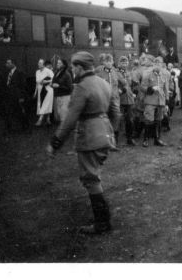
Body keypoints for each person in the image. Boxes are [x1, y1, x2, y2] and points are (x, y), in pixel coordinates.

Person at [46, 51, 119, 234]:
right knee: (94, 176)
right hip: (104, 135)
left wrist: (55, 142)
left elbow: (70, 119)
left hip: (89, 137)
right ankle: (102, 219)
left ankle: (102, 223)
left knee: (91, 179)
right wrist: (111, 132)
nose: (72, 70)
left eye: (73, 67)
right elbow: (116, 111)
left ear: (79, 67)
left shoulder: (81, 87)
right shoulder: (104, 83)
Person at [140, 56, 169, 147]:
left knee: (159, 120)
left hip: (161, 101)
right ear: (153, 65)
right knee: (149, 120)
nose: (157, 65)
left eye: (159, 63)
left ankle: (157, 139)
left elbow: (166, 90)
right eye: (155, 63)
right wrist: (151, 88)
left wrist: (166, 103)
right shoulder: (147, 75)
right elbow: (142, 87)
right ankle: (146, 139)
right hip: (150, 100)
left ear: (162, 64)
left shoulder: (164, 75)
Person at [95, 54, 121, 149]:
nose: (109, 63)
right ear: (104, 63)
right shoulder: (99, 73)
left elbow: (123, 82)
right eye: (107, 61)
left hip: (114, 99)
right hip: (104, 100)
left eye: (111, 61)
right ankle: (104, 142)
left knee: (117, 117)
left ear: (113, 62)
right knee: (104, 120)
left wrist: (121, 89)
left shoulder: (115, 73)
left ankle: (114, 142)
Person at [4, 59, 29, 132]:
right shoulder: (8, 73)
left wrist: (21, 97)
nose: (6, 64)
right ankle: (10, 128)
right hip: (10, 96)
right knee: (9, 112)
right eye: (6, 63)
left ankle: (25, 127)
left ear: (13, 64)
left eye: (8, 63)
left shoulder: (19, 73)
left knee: (20, 112)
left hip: (17, 96)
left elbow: (23, 86)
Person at [117, 56, 136, 146]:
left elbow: (131, 85)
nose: (124, 64)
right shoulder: (115, 73)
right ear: (119, 63)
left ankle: (130, 139)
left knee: (130, 120)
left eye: (126, 63)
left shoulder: (129, 73)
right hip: (120, 99)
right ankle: (115, 141)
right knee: (117, 119)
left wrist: (133, 92)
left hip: (129, 99)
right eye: (122, 63)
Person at [51, 59, 73, 124]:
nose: (57, 64)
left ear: (64, 65)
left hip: (65, 97)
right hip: (57, 96)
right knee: (58, 115)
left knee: (64, 115)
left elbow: (70, 88)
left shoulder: (67, 74)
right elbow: (53, 82)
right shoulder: (56, 73)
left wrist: (59, 86)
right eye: (57, 63)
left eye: (59, 63)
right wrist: (52, 84)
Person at [34, 59, 54, 126]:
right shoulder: (37, 72)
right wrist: (35, 92)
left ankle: (40, 119)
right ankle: (48, 119)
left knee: (46, 104)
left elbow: (53, 79)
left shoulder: (48, 71)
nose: (38, 64)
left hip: (48, 90)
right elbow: (37, 81)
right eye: (38, 63)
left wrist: (47, 81)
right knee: (42, 104)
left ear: (43, 64)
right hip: (41, 90)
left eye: (40, 63)